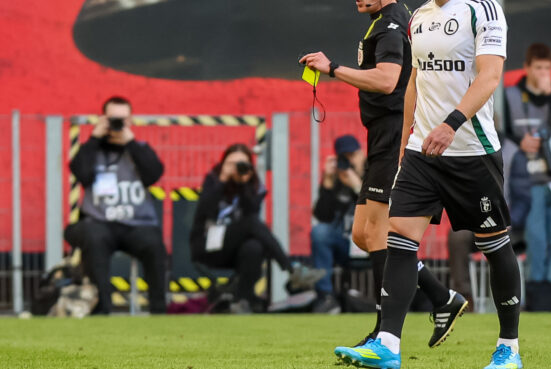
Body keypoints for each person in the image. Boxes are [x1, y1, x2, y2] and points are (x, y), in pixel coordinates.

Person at [334, 0, 522, 369]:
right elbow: (415, 83)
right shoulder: (418, 17)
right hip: (423, 153)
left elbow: (489, 78)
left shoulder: (484, 10)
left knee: (493, 245)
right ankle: (387, 344)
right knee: (398, 238)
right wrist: (407, 145)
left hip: (472, 151)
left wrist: (451, 124)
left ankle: (509, 346)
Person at [301, 0, 465, 345]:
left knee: (381, 237)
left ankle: (383, 333)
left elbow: (389, 80)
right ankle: (442, 298)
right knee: (363, 234)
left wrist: (333, 68)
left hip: (394, 136)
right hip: (381, 139)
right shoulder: (385, 22)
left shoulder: (390, 26)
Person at [190, 143, 325, 312]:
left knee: (254, 247)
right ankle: (291, 268)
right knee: (252, 223)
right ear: (224, 163)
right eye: (232, 163)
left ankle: (242, 301)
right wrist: (223, 179)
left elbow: (251, 211)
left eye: (242, 164)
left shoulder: (251, 185)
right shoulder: (213, 179)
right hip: (207, 244)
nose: (236, 168)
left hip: (235, 248)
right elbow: (204, 211)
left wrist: (244, 184)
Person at [65, 96, 167, 314]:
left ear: (131, 120)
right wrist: (95, 137)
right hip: (101, 222)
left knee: (155, 244)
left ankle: (159, 309)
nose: (117, 124)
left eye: (122, 119)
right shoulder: (92, 150)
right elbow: (80, 172)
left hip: (137, 224)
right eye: (113, 119)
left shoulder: (140, 149)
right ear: (103, 118)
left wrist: (129, 141)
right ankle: (102, 307)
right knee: (94, 238)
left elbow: (153, 174)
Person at [504, 43, 551, 287]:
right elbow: (499, 130)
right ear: (527, 67)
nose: (543, 73)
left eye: (548, 68)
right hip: (528, 178)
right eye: (538, 67)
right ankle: (536, 290)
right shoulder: (510, 95)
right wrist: (519, 141)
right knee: (536, 238)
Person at [310, 135, 366, 313]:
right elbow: (322, 216)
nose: (348, 161)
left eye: (352, 155)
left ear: (361, 154)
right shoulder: (334, 180)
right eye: (344, 157)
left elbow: (382, 211)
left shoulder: (374, 172)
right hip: (343, 242)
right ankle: (326, 296)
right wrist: (327, 184)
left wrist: (358, 186)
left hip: (369, 242)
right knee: (319, 232)